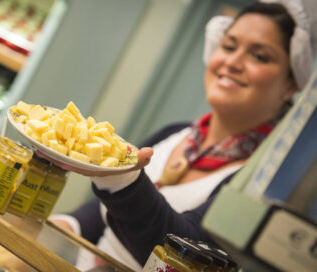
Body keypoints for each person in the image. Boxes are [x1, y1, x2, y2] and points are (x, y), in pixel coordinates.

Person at [44, 0, 317, 270]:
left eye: (259, 56)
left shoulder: (260, 180)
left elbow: (188, 253)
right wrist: (69, 225)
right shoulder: (174, 133)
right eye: (229, 46)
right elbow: (106, 211)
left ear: (291, 84)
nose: (232, 62)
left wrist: (122, 180)